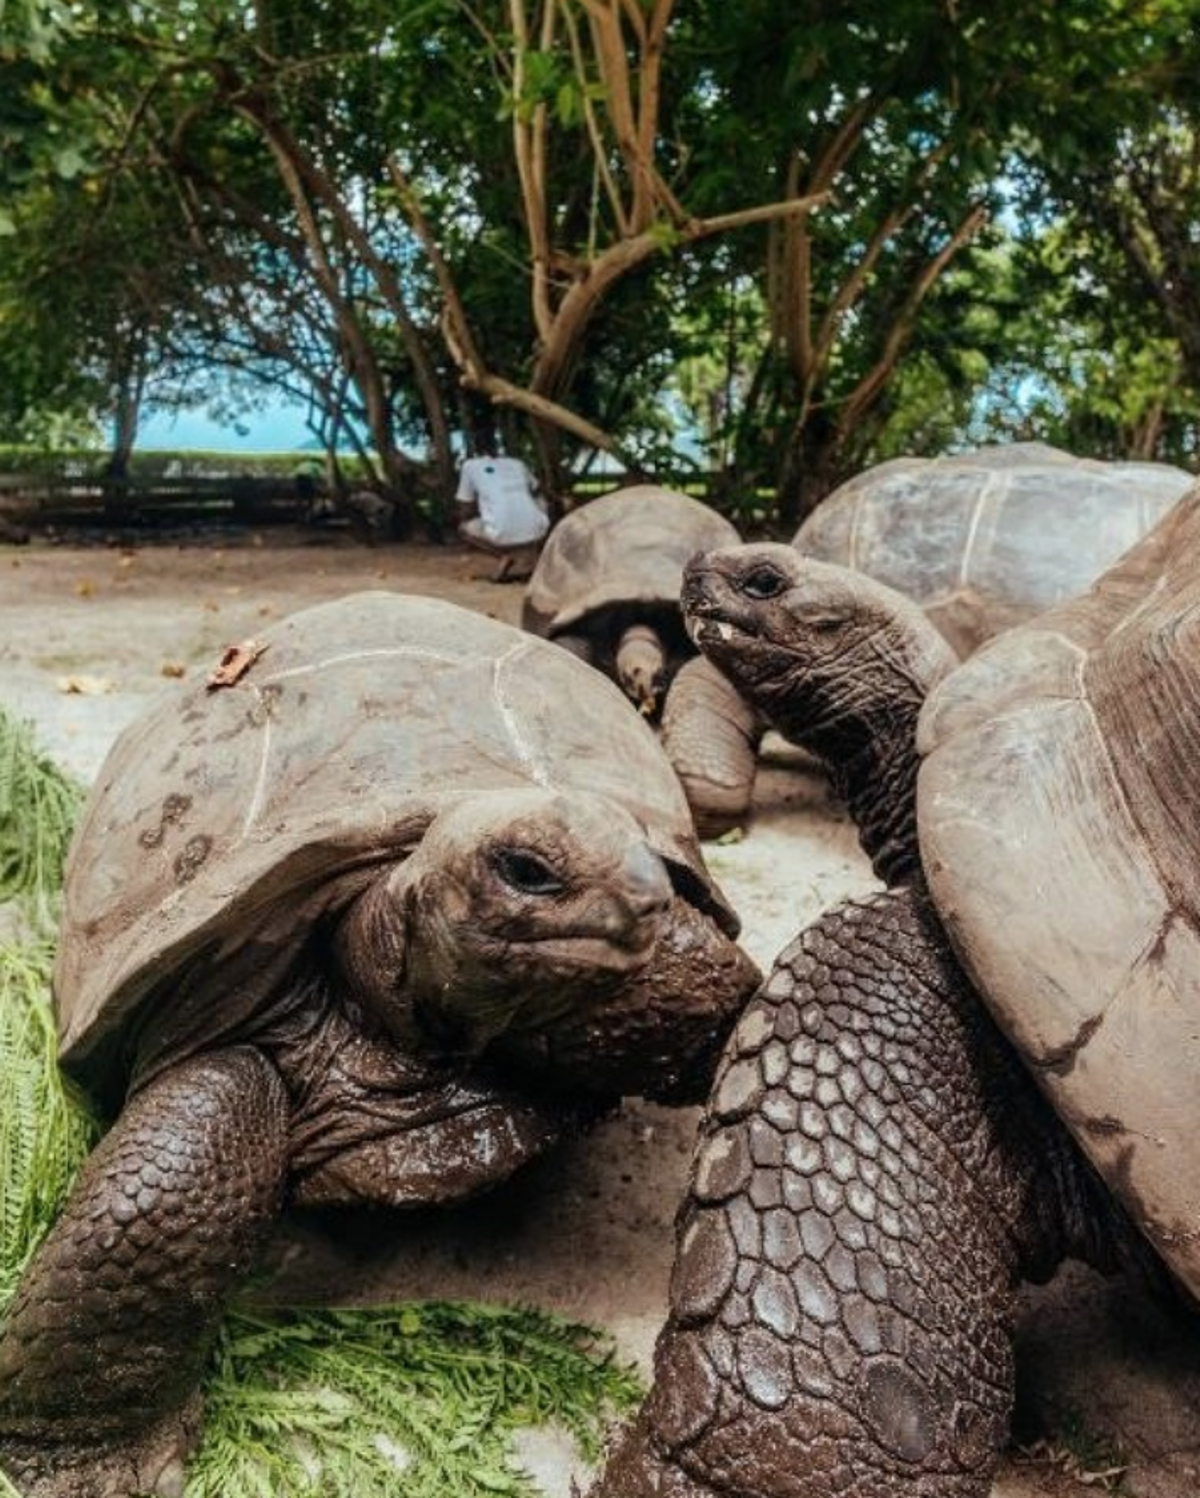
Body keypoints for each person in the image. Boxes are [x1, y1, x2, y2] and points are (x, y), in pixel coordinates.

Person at [454, 448, 549, 581]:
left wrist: (473, 514)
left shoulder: (470, 465)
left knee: (463, 529)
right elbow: (537, 490)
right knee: (536, 507)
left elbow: (465, 504)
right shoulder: (518, 463)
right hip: (538, 530)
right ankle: (531, 553)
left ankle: (506, 556)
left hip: (503, 533)